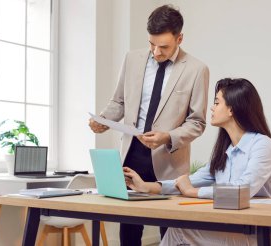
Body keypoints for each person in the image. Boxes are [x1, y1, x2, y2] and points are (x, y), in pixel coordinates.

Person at [89, 4, 209, 246]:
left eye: (163, 46)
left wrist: (167, 136)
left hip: (169, 161)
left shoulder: (197, 70)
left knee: (171, 231)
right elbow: (119, 101)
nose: (156, 52)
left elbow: (197, 122)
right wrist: (103, 119)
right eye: (151, 44)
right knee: (129, 229)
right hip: (131, 155)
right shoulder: (132, 59)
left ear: (180, 38)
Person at [124, 78, 271, 246]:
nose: (212, 107)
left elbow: (241, 192)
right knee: (177, 230)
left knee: (179, 232)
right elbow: (188, 181)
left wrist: (192, 192)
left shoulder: (262, 145)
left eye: (217, 103)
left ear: (232, 109)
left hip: (268, 235)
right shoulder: (225, 151)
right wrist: (147, 187)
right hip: (239, 229)